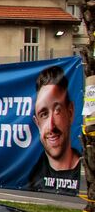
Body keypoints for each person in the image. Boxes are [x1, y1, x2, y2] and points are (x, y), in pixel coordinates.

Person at [28, 64, 83, 193]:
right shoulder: (32, 179)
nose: (51, 125)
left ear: (70, 112)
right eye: (44, 114)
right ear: (37, 123)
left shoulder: (86, 171)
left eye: (57, 110)